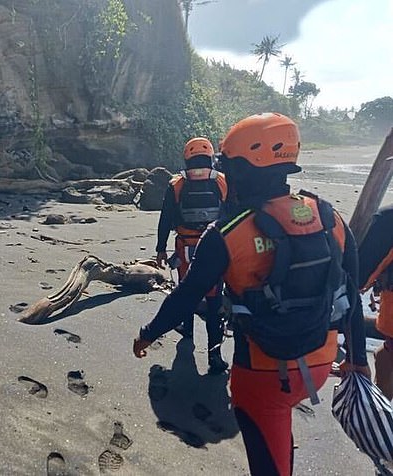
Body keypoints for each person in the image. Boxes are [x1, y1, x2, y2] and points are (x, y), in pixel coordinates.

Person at [133, 112, 370, 476]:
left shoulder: (227, 233)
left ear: (245, 168)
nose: (225, 173)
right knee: (278, 433)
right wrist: (358, 361)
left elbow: (186, 295)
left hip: (263, 375)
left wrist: (148, 333)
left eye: (229, 165)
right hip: (322, 365)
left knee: (270, 458)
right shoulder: (329, 217)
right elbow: (351, 296)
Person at [155, 137, 228, 373]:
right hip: (217, 246)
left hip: (185, 245)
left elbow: (166, 218)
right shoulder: (222, 181)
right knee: (215, 299)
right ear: (210, 156)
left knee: (186, 289)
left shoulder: (176, 184)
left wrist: (160, 248)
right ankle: (214, 355)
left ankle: (186, 329)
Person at [358, 205, 393, 399]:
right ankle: (381, 414)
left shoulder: (389, 218)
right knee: (384, 357)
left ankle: (380, 416)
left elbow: (363, 273)